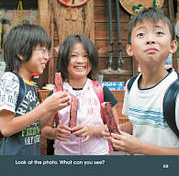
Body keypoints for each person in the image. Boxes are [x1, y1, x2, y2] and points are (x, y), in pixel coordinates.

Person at [106, 8, 179, 155]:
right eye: (141, 34)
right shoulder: (132, 86)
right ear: (130, 49)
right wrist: (113, 132)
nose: (150, 39)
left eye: (159, 33)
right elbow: (136, 124)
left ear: (173, 46)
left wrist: (140, 148)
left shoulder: (175, 93)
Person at [41, 34, 119, 155]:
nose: (80, 61)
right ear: (64, 60)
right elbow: (44, 129)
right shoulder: (56, 94)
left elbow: (114, 128)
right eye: (73, 56)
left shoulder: (102, 91)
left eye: (85, 56)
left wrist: (93, 130)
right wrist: (55, 133)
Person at [0, 24, 70, 155]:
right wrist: (44, 107)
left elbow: (37, 126)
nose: (47, 57)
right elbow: (5, 128)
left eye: (48, 51)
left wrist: (52, 108)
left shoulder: (32, 84)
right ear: (21, 53)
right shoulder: (10, 80)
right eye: (42, 50)